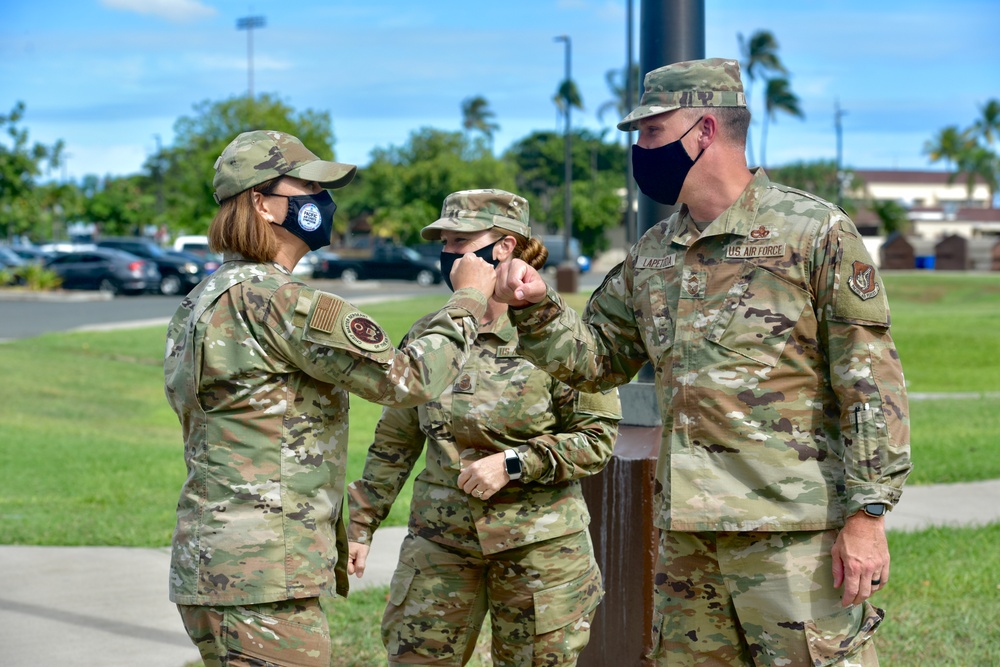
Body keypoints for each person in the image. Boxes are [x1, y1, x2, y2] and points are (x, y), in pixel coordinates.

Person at [494, 59, 912, 666]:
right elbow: (596, 361)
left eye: (653, 133)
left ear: (706, 131)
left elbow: (870, 384)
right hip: (688, 538)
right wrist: (535, 306)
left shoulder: (813, 232)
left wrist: (869, 515)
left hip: (793, 536)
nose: (640, 150)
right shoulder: (655, 254)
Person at [163, 130, 497, 667]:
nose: (321, 202)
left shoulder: (207, 296)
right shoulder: (281, 302)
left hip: (223, 560)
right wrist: (469, 297)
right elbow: (406, 380)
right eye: (306, 188)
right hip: (264, 573)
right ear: (260, 203)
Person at [346, 189, 622, 666]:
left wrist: (515, 462)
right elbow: (395, 441)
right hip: (441, 546)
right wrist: (359, 523)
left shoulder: (556, 335)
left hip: (538, 550)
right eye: (445, 242)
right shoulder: (433, 336)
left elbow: (596, 439)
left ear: (505, 248)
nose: (449, 253)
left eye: (461, 240)